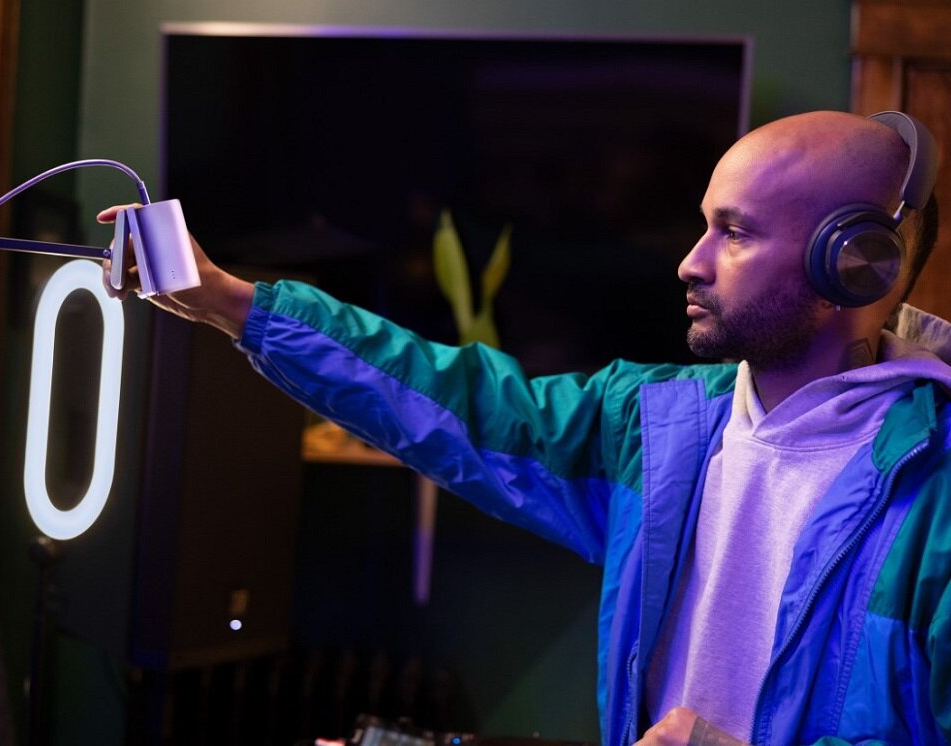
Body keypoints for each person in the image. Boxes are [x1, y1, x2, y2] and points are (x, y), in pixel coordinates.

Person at [101, 110, 950, 745]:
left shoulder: (936, 499)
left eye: (734, 233)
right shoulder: (657, 428)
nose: (689, 262)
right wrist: (233, 305)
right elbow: (457, 402)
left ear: (854, 265)